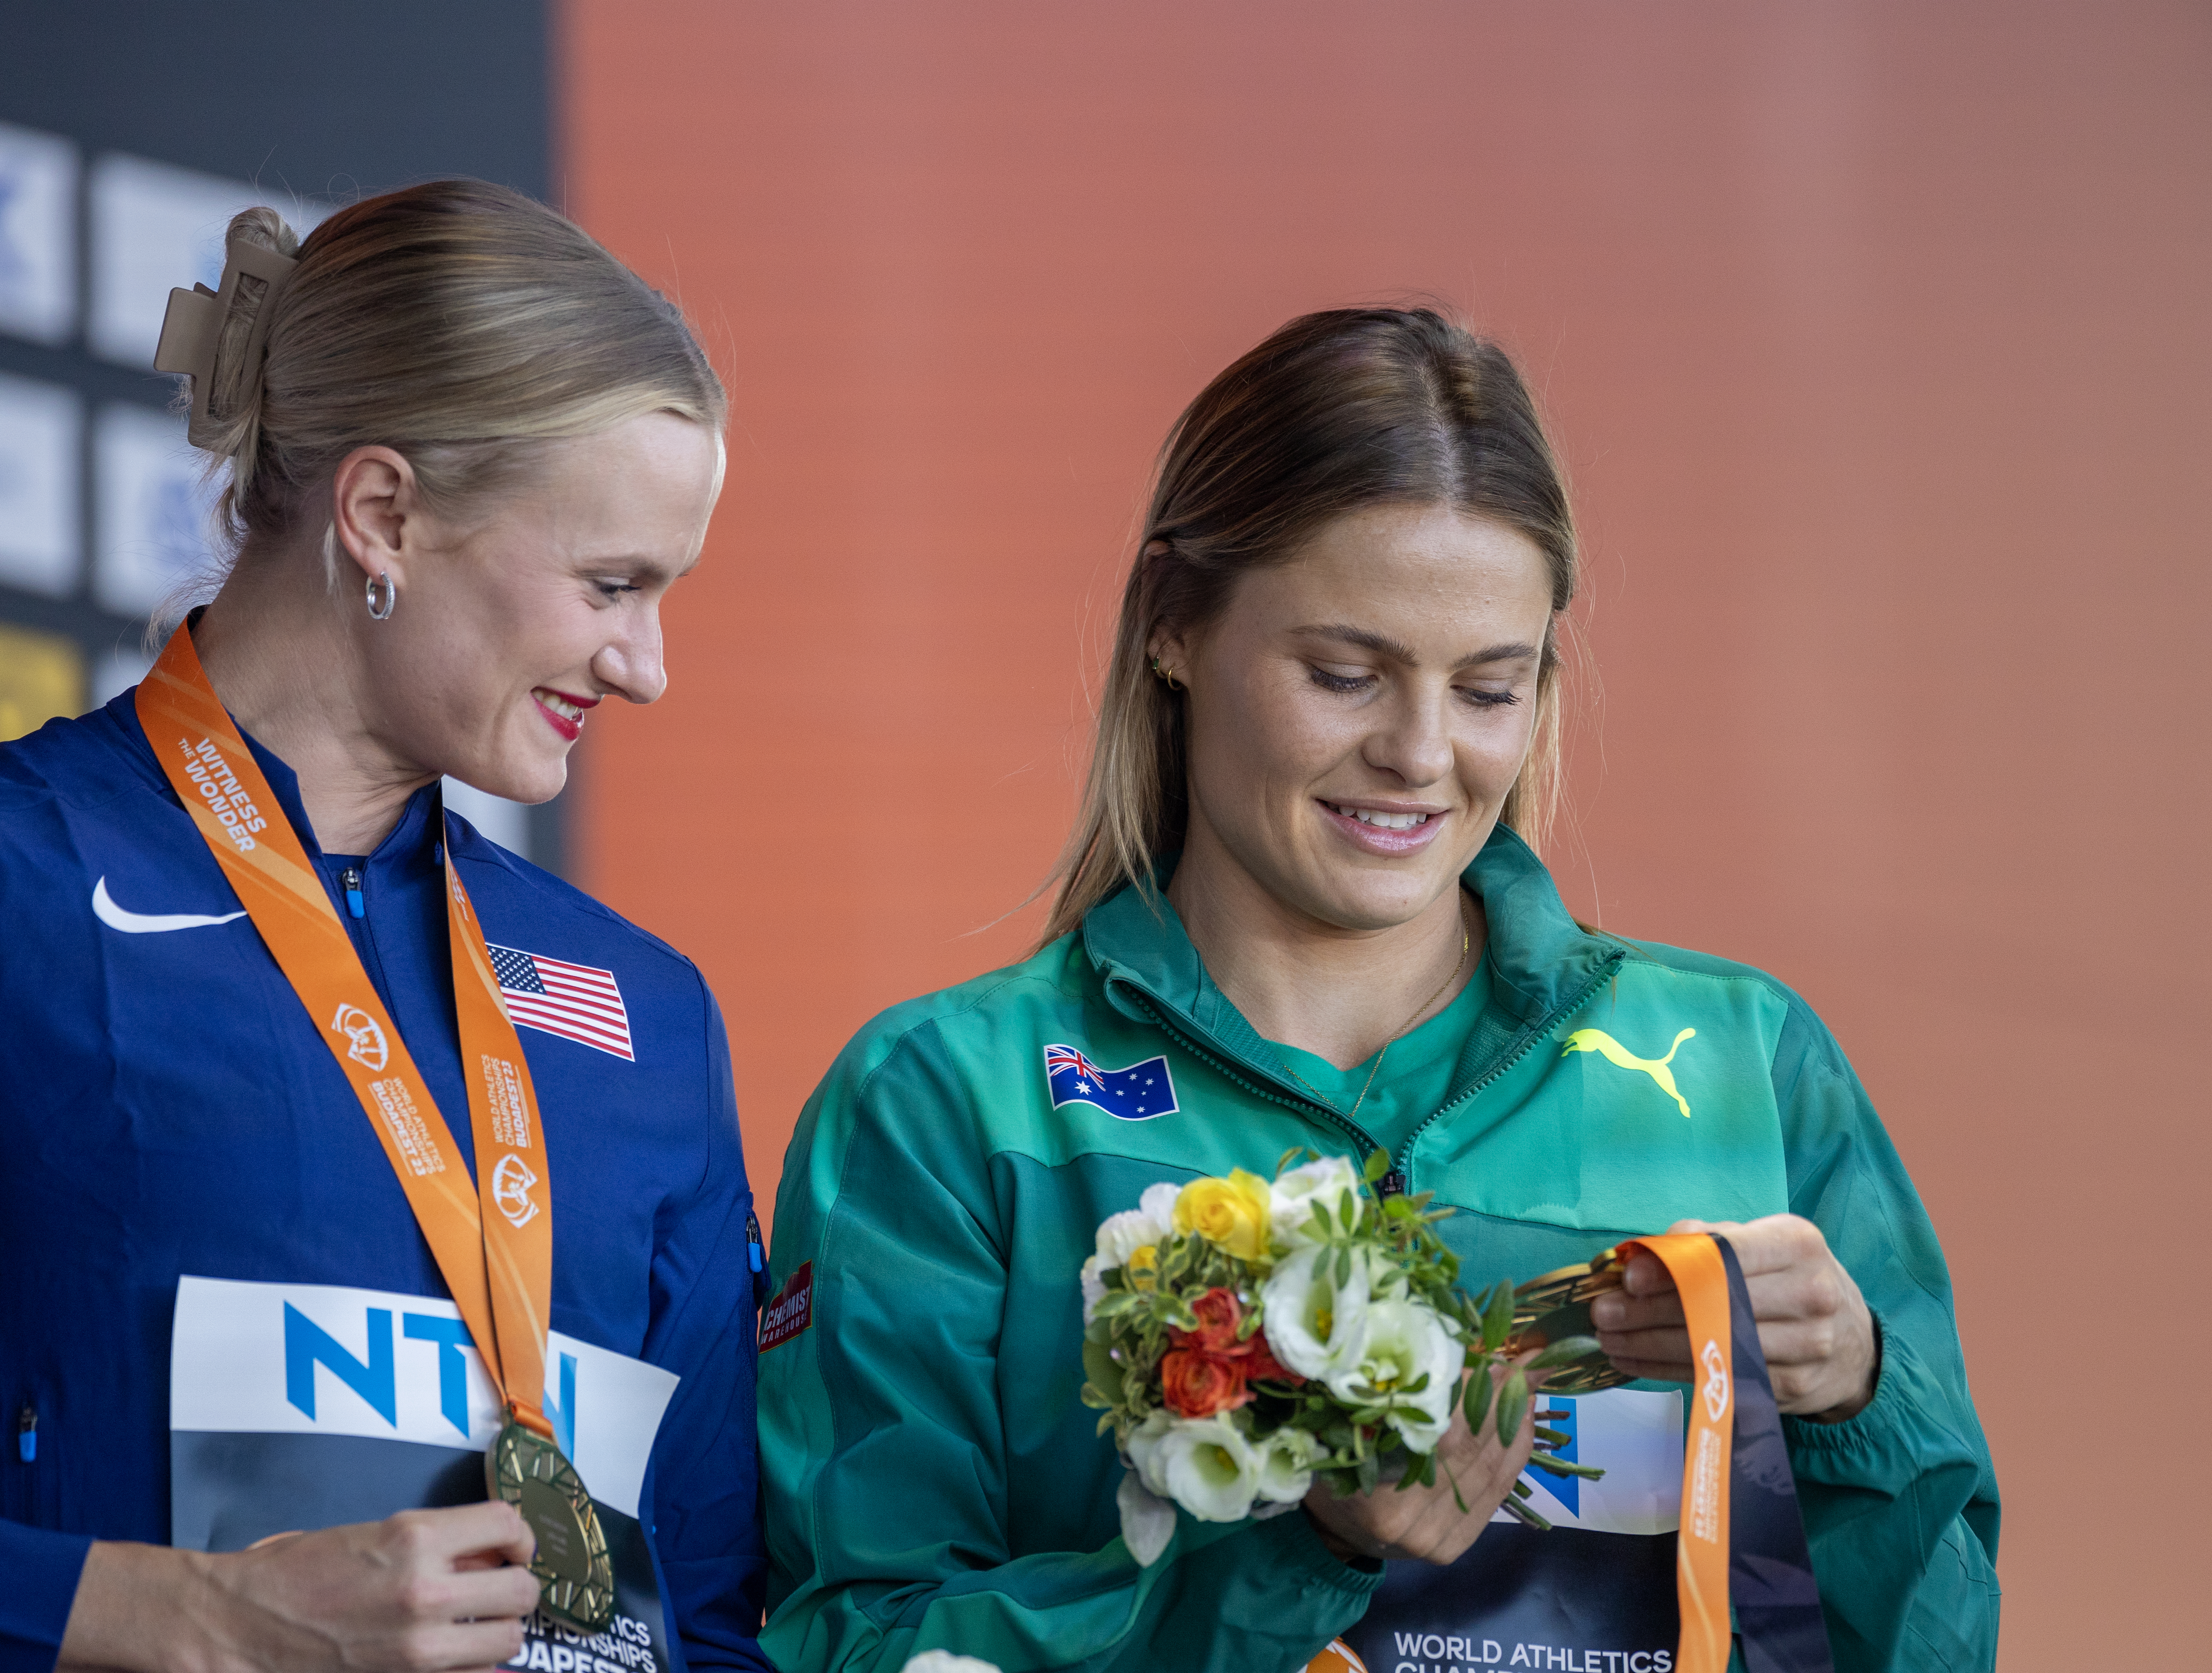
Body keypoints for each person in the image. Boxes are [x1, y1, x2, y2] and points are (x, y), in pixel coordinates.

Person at [756, 310, 1999, 1673]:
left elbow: (1932, 1646)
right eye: (1346, 675)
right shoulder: (951, 1102)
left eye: (1488, 690)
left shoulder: (1742, 1064)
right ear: (1173, 628)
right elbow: (850, 1647)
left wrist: (1856, 1402)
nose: (1420, 752)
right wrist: (1297, 1553)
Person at [0, 180, 768, 1673]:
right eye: (612, 584)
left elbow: (712, 1627)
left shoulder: (646, 1014)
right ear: (384, 514)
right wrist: (195, 1621)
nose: (646, 665)